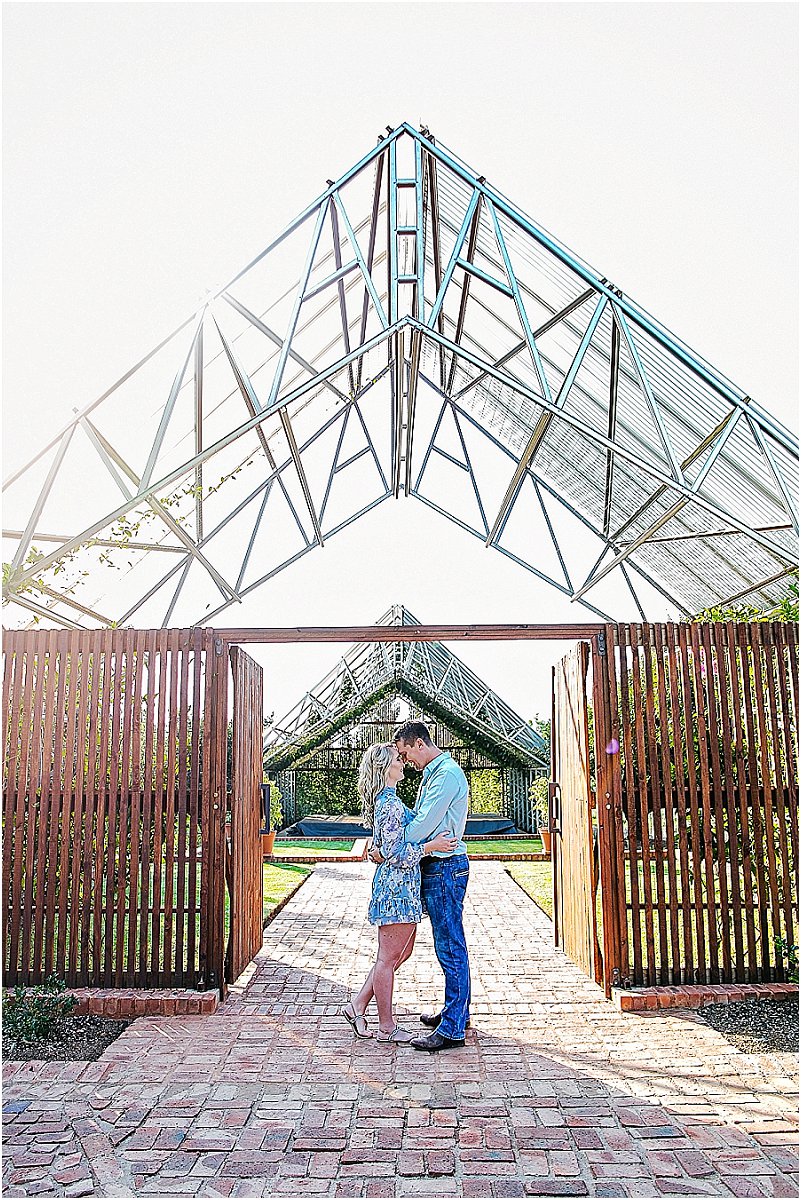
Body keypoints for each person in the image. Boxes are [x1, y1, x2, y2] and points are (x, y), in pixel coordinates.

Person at [341, 743, 457, 1045]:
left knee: (399, 954)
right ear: (385, 768)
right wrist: (431, 847)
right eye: (397, 758)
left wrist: (380, 850)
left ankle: (357, 1006)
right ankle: (386, 1027)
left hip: (403, 887)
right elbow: (395, 854)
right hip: (396, 889)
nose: (402, 761)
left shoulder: (389, 800)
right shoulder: (390, 804)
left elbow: (386, 846)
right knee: (387, 959)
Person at [393, 721, 471, 1053]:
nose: (406, 760)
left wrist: (393, 842)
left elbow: (423, 825)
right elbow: (420, 816)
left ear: (420, 744)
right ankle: (458, 1013)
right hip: (440, 867)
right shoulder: (434, 773)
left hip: (445, 867)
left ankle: (452, 1028)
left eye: (406, 753)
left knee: (450, 947)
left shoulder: (446, 775)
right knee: (450, 944)